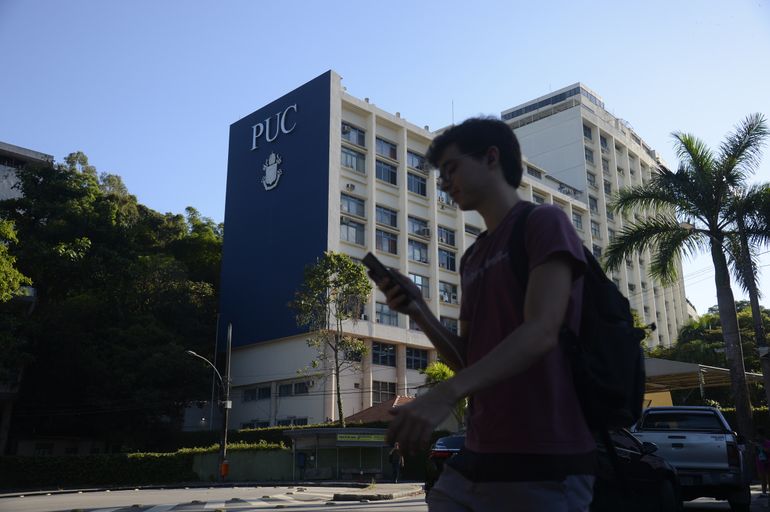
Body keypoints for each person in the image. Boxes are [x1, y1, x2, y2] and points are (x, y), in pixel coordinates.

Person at [370, 117, 596, 511]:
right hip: (478, 456)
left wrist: (446, 393)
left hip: (545, 460)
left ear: (491, 158)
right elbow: (468, 360)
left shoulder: (544, 222)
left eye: (452, 168)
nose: (444, 183)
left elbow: (542, 330)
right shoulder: (472, 256)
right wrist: (418, 309)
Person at [755, 428, 770, 496]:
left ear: (762, 435)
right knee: (762, 478)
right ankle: (764, 493)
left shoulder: (767, 442)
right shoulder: (757, 443)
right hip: (760, 462)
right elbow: (755, 453)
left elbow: (768, 451)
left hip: (767, 462)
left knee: (768, 478)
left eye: (758, 435)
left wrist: (761, 447)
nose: (757, 437)